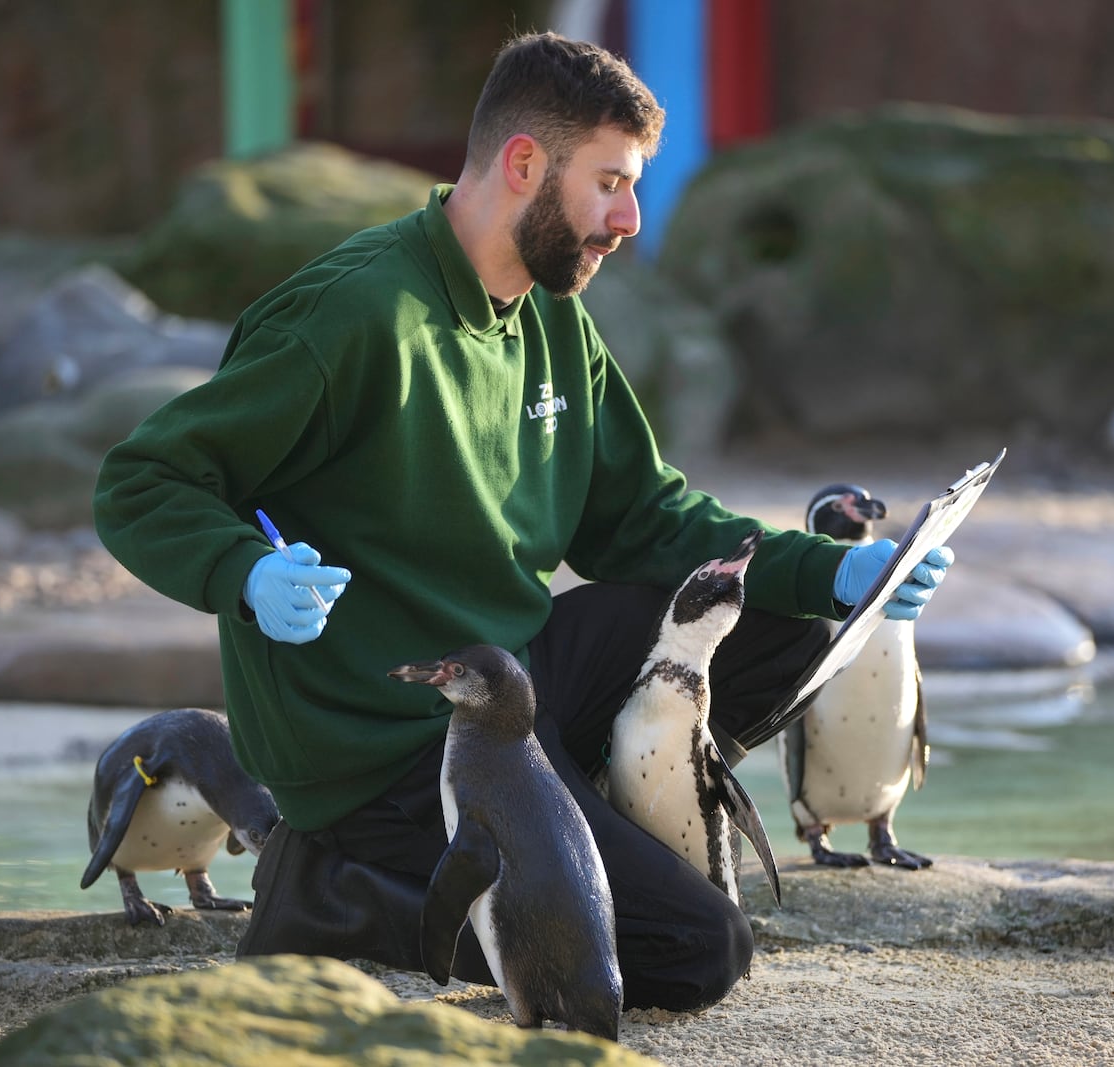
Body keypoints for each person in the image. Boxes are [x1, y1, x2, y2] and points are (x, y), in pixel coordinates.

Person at [93, 30, 953, 1013]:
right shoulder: (348, 316)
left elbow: (642, 518)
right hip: (389, 748)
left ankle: (576, 823)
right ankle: (344, 891)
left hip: (509, 685)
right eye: (611, 182)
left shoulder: (550, 316)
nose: (630, 217)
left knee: (786, 630)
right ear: (523, 164)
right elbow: (142, 478)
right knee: (697, 949)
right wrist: (242, 571)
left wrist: (838, 573)